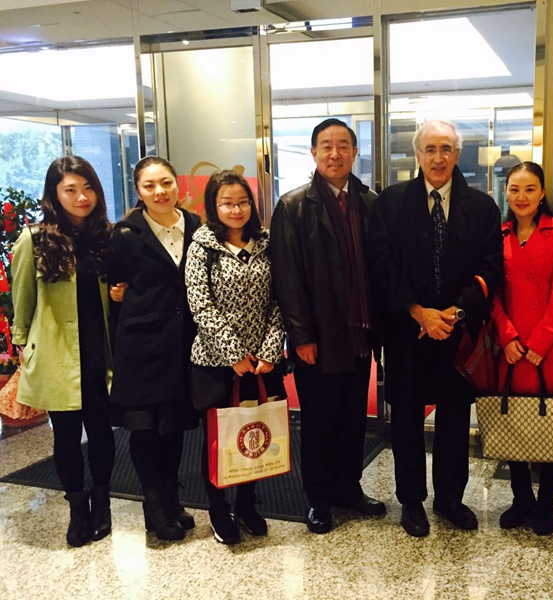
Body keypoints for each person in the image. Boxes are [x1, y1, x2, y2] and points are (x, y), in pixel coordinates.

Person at [369, 120, 503, 537]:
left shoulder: (482, 207)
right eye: (430, 149)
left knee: (454, 419)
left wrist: (454, 314)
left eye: (446, 149)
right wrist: (418, 311)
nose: (438, 157)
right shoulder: (391, 203)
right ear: (417, 155)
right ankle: (411, 501)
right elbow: (382, 265)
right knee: (406, 418)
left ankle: (449, 499)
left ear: (457, 154)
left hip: (458, 334)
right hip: (407, 331)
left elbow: (491, 268)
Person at [271, 118, 386, 534]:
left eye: (343, 146)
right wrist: (301, 336)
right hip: (316, 337)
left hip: (359, 333)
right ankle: (318, 499)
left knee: (353, 418)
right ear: (314, 153)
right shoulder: (293, 205)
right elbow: (287, 277)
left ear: (354, 152)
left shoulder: (370, 202)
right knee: (319, 421)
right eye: (326, 146)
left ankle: (348, 488)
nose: (334, 154)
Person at [11, 156, 115, 547]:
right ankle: (77, 508)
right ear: (54, 194)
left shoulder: (107, 236)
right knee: (67, 436)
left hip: (100, 351)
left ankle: (102, 502)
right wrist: (23, 345)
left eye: (87, 188)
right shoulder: (35, 239)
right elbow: (22, 300)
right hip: (58, 354)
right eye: (70, 189)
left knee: (102, 431)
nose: (81, 197)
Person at [186, 169, 285, 546]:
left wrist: (270, 350)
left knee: (254, 431)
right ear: (214, 206)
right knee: (219, 436)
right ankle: (218, 509)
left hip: (261, 361)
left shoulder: (267, 242)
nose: (236, 209)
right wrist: (233, 354)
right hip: (216, 361)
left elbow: (280, 299)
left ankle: (246, 504)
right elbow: (200, 304)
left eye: (243, 202)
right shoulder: (202, 246)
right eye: (227, 203)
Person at [108, 156, 201, 542]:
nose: (160, 191)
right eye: (149, 186)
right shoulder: (125, 234)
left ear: (177, 185)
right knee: (146, 428)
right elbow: (115, 286)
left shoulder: (195, 227)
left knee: (174, 425)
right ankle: (154, 506)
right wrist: (119, 296)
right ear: (138, 191)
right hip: (142, 346)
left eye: (166, 182)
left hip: (183, 343)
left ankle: (172, 499)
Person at [490, 162, 553, 535]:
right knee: (514, 420)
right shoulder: (498, 236)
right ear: (506, 192)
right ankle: (521, 498)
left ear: (542, 193)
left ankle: (546, 502)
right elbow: (493, 293)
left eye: (530, 189)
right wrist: (506, 336)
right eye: (514, 189)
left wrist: (540, 341)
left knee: (552, 420)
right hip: (512, 347)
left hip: (550, 346)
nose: (522, 197)